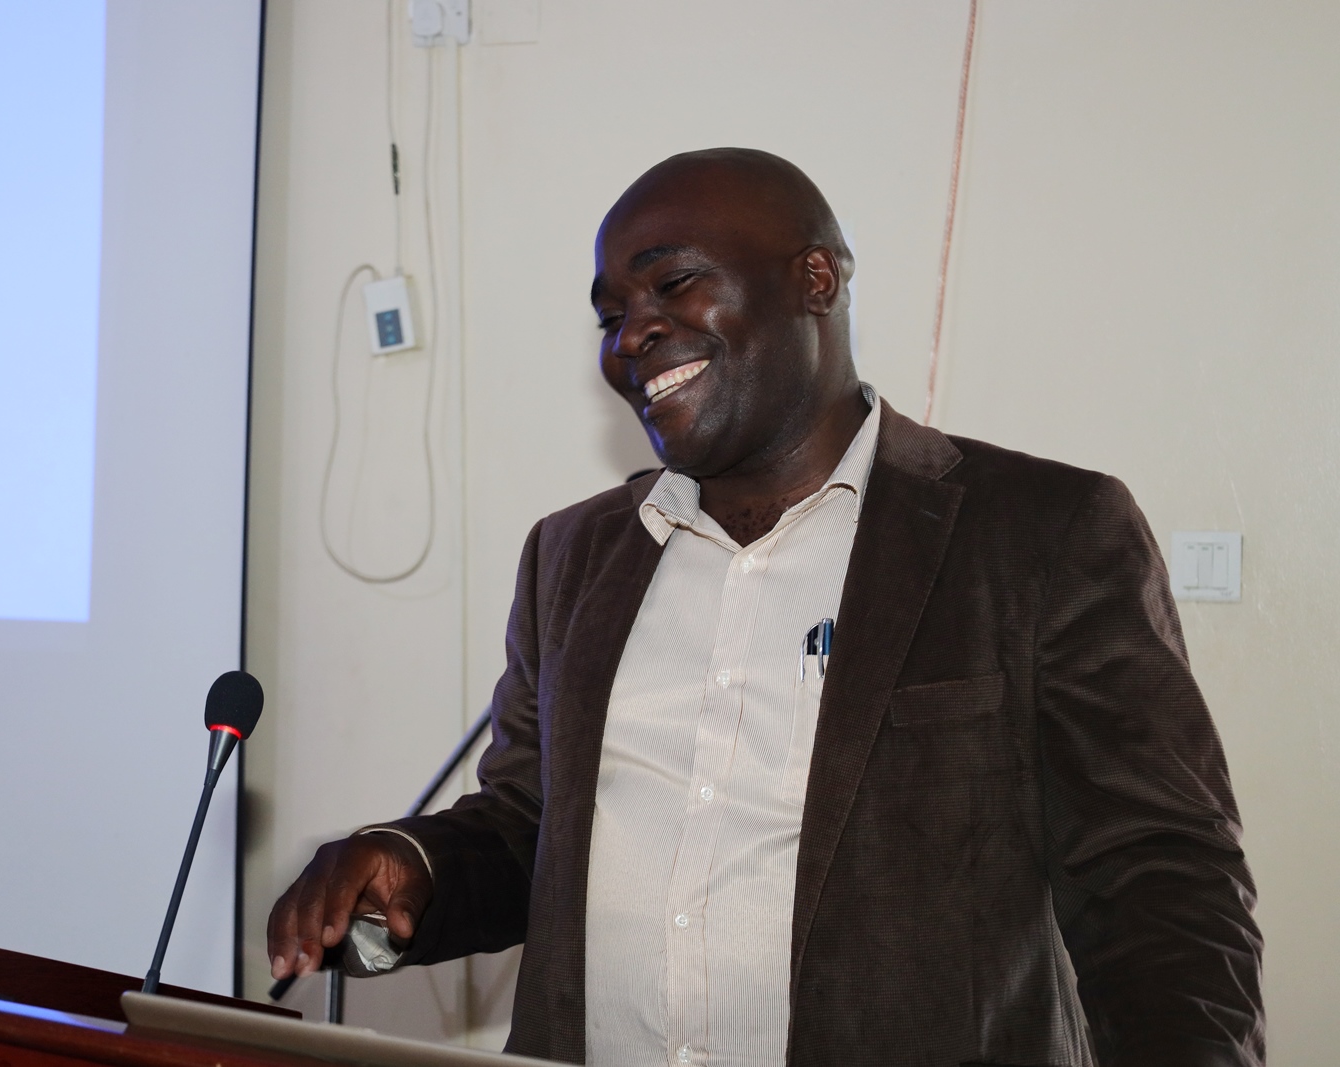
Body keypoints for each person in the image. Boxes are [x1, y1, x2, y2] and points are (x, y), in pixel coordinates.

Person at [267, 149, 1265, 1067]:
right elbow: (531, 828)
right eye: (610, 313)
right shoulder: (569, 557)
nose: (633, 333)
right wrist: (408, 863)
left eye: (670, 281)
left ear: (815, 281)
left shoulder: (1039, 532)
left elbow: (1157, 881)